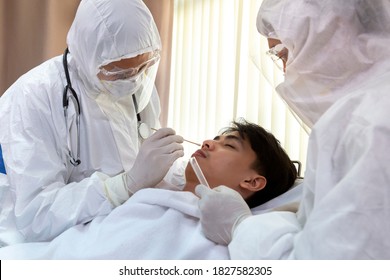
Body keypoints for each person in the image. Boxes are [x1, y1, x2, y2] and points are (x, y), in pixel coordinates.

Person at [196, 0, 390, 259]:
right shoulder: (361, 114)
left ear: (331, 31)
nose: (286, 71)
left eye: (284, 54)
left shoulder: (368, 124)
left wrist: (241, 227)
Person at [0, 0, 184, 245]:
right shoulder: (33, 96)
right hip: (37, 240)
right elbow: (37, 215)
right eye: (119, 72)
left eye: (143, 66)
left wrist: (176, 172)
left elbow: (143, 164)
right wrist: (123, 186)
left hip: (112, 226)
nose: (133, 81)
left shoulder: (139, 88)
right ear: (88, 55)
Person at [0, 119, 298, 259]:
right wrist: (129, 183)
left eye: (228, 145)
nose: (209, 143)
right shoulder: (161, 188)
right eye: (215, 138)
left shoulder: (223, 234)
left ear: (252, 182)